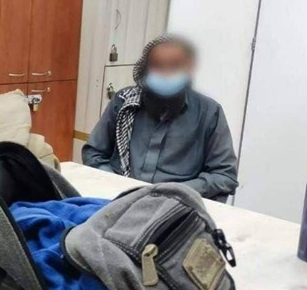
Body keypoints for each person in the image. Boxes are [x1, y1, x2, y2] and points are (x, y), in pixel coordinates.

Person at [82, 35, 238, 202]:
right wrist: (116, 185)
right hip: (119, 199)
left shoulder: (208, 112)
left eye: (174, 66)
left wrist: (176, 192)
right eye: (157, 66)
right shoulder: (124, 102)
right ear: (145, 71)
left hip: (176, 204)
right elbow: (94, 153)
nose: (165, 74)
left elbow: (224, 176)